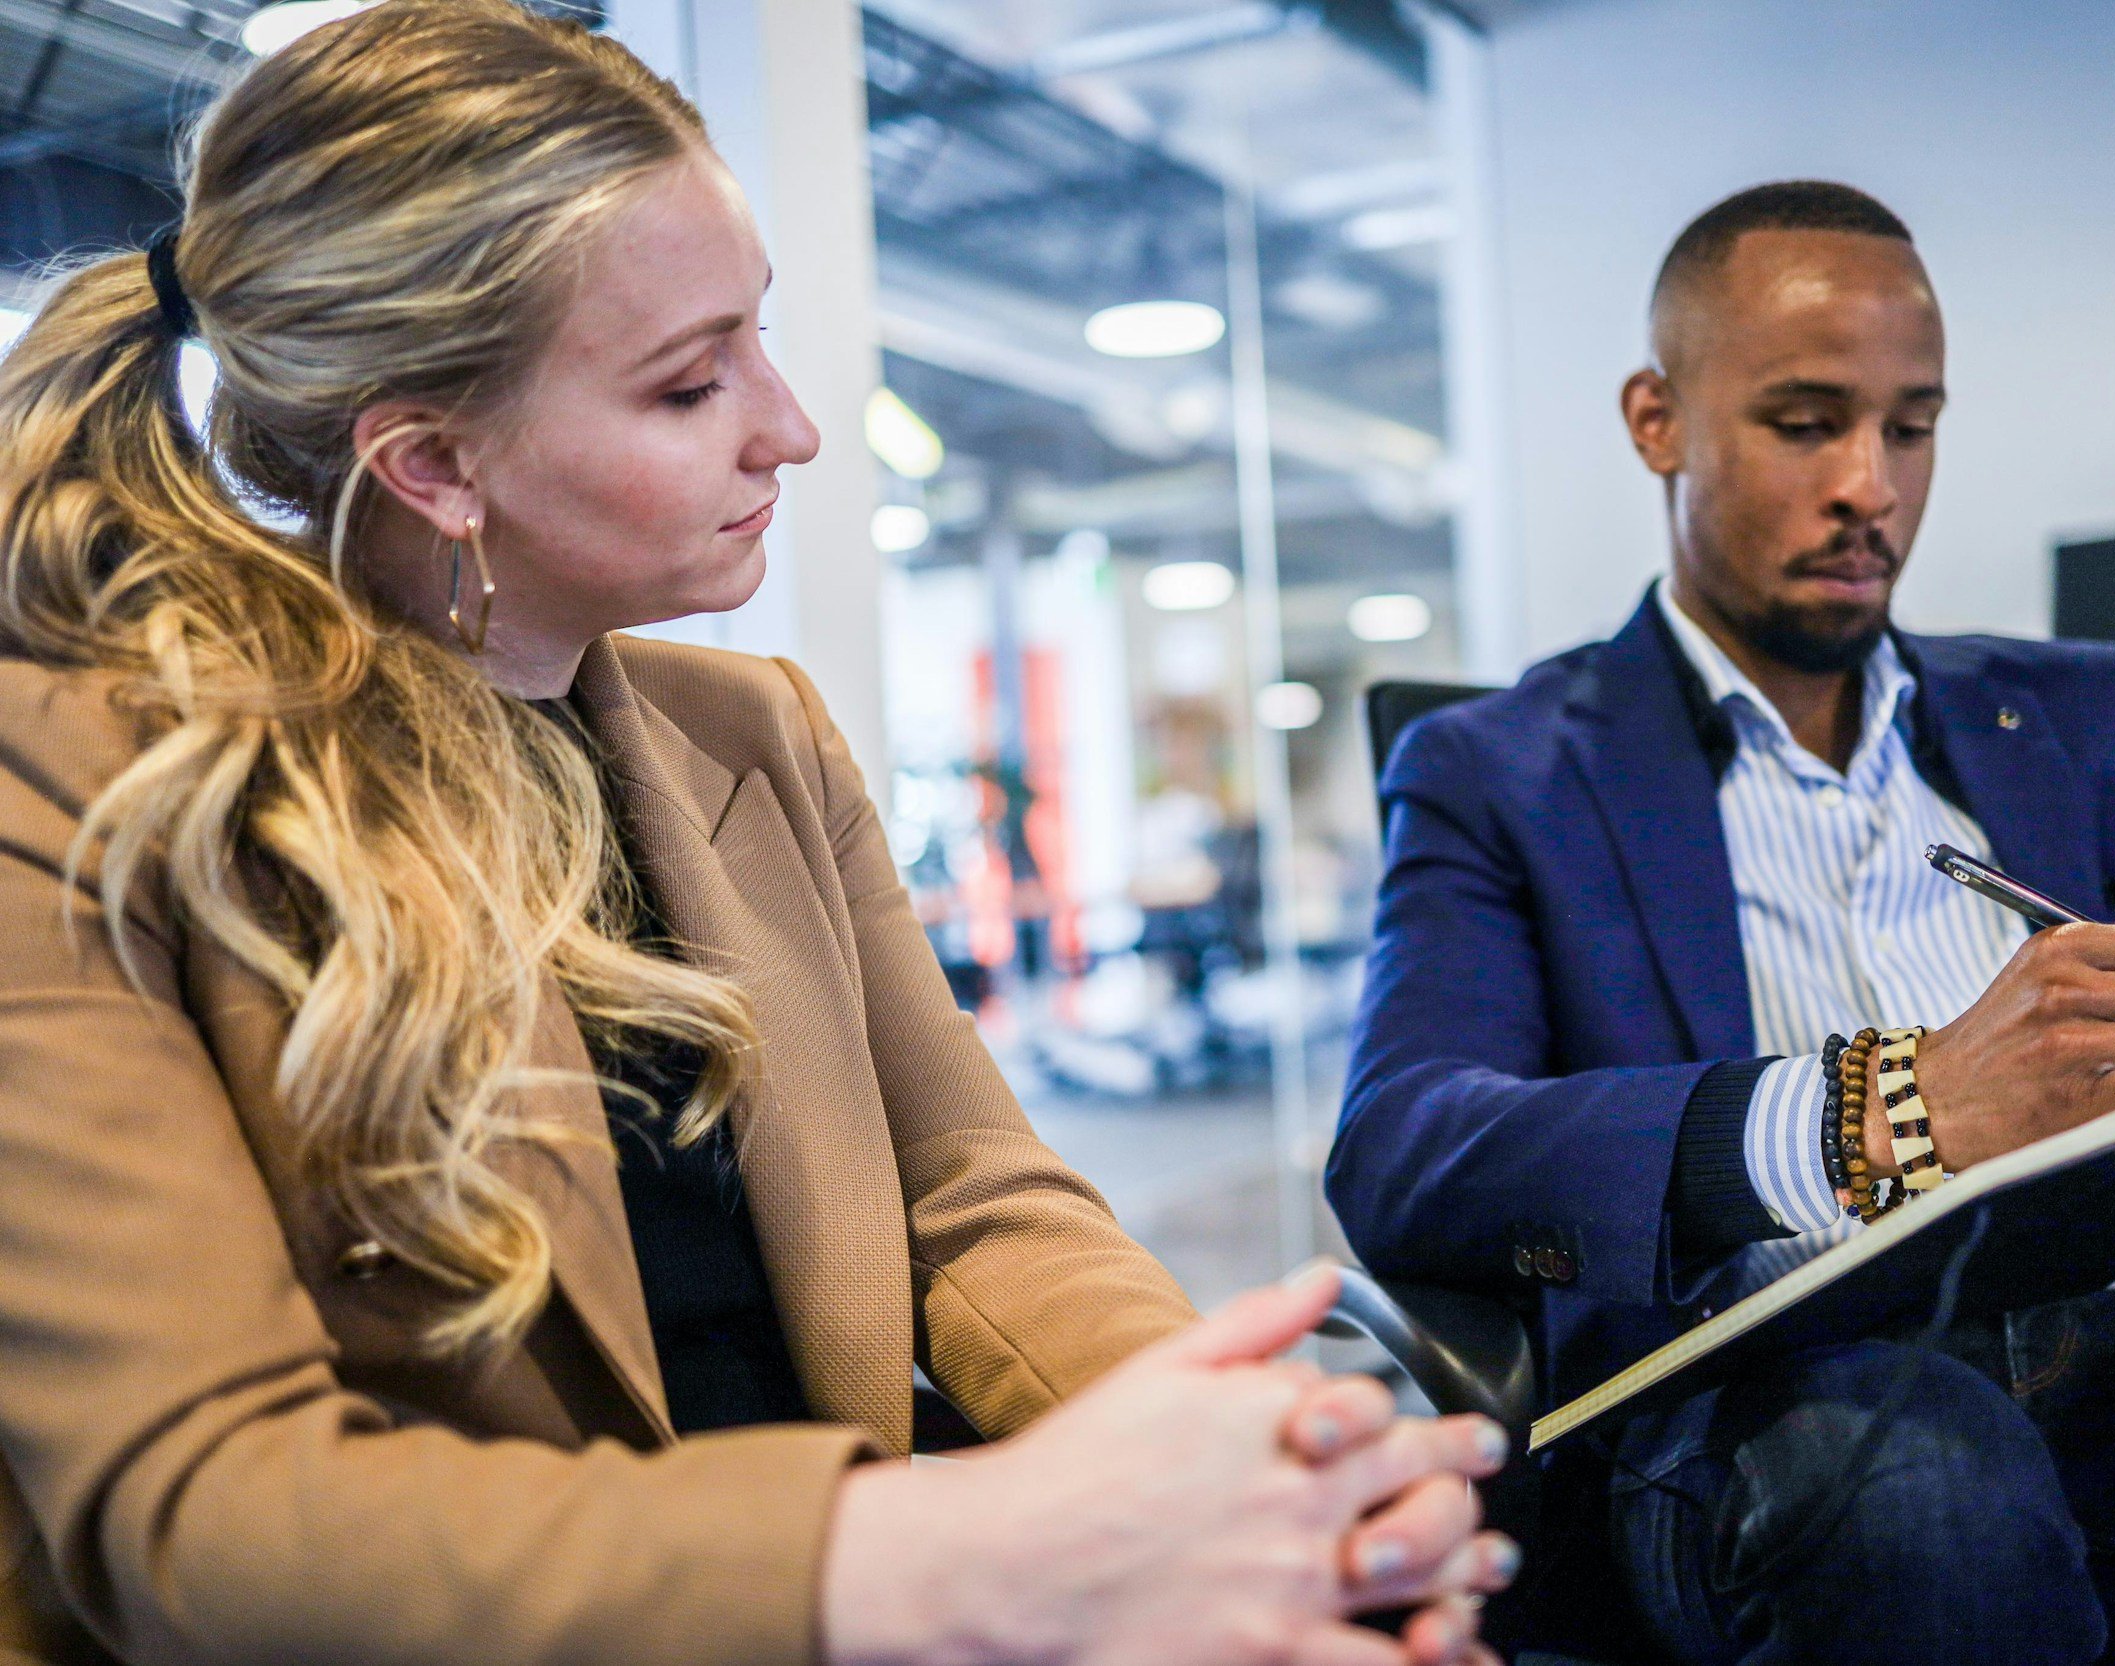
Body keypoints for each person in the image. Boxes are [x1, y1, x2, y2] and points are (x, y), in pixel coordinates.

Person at [0, 4, 1520, 1662]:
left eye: (760, 341)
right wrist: (955, 1552)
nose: (789, 426)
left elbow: (972, 1193)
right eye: (689, 382)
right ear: (434, 460)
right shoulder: (79, 788)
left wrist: (1257, 1467)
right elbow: (204, 1509)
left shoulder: (757, 733)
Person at [1327, 179, 2115, 1664]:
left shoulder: (2097, 717)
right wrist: (1879, 1110)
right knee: (1928, 1490)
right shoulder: (1502, 771)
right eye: (1807, 422)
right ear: (1657, 419)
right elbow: (1410, 1142)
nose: (1870, 486)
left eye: (1912, 425)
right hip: (1781, 1396)